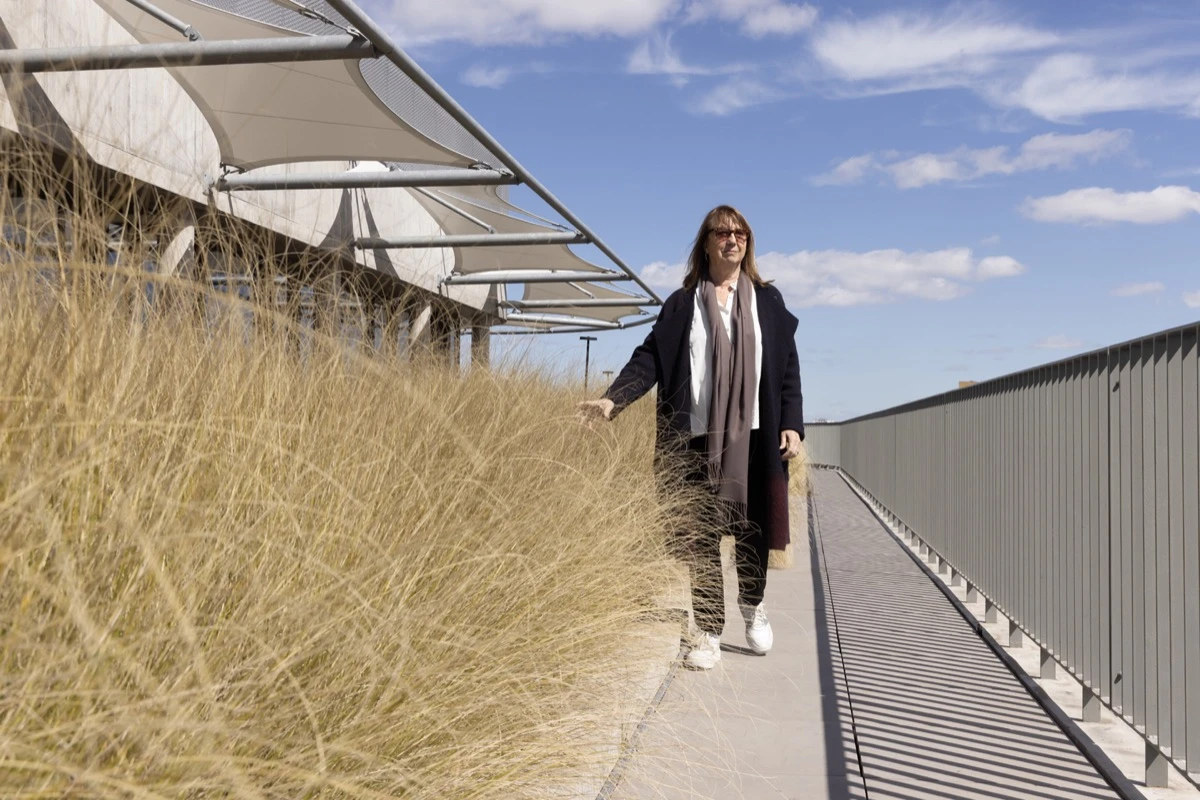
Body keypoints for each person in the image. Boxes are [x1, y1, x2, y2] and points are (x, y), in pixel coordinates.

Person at [578, 205, 804, 670]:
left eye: (740, 233)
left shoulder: (767, 302)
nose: (733, 240)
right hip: (694, 438)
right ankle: (707, 631)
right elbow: (650, 360)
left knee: (752, 531)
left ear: (748, 243)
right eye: (722, 232)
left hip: (757, 439)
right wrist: (612, 400)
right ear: (705, 243)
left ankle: (752, 604)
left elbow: (787, 369)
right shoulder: (683, 304)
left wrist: (792, 424)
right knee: (700, 537)